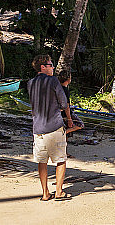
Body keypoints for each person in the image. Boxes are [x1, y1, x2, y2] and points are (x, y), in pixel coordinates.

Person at [27, 55, 73, 201]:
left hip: (38, 129)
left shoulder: (30, 83)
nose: (53, 67)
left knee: (42, 161)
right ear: (43, 67)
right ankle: (59, 192)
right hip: (54, 127)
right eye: (50, 65)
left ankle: (45, 193)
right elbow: (64, 103)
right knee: (60, 160)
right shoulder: (53, 80)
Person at [56, 69, 83, 134]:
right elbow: (66, 106)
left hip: (58, 112)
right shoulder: (65, 90)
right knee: (80, 124)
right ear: (68, 79)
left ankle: (64, 133)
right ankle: (63, 134)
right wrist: (69, 119)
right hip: (64, 113)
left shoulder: (57, 88)